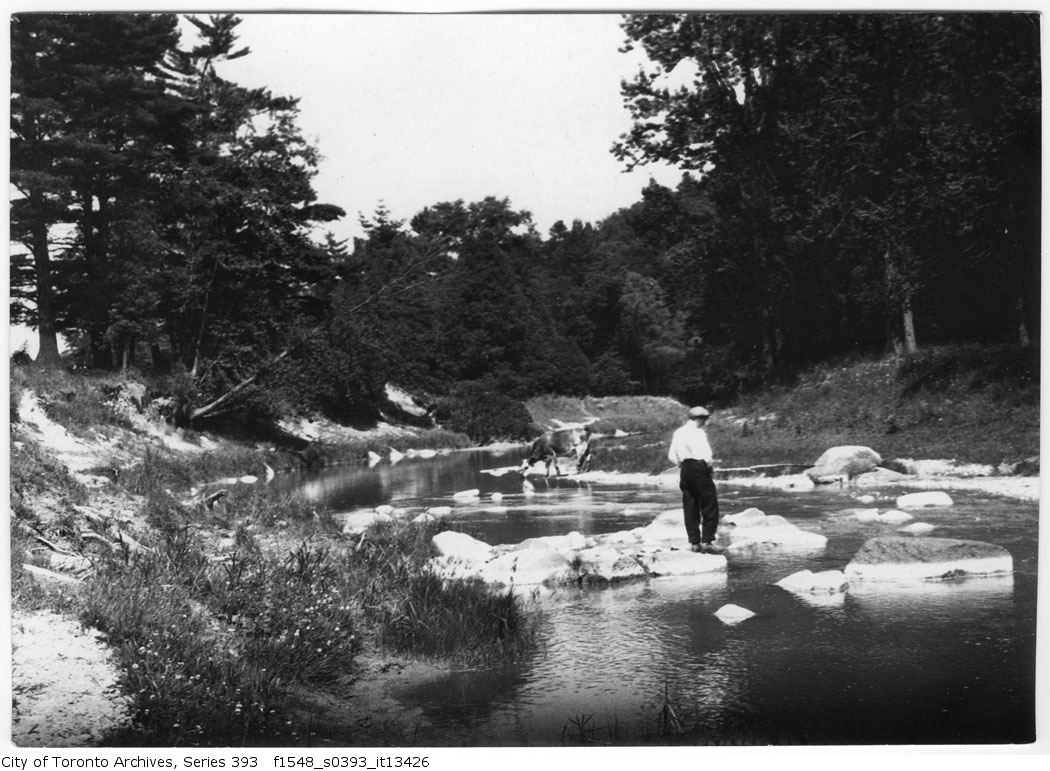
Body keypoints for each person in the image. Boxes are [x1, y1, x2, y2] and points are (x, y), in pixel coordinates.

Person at [668, 405, 723, 553]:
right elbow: (706, 455)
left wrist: (682, 464)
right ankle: (708, 542)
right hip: (699, 467)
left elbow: (672, 455)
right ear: (699, 419)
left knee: (690, 505)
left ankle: (694, 543)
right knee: (709, 504)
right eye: (705, 419)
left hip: (685, 469)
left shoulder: (678, 432)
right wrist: (710, 469)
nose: (706, 422)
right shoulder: (698, 433)